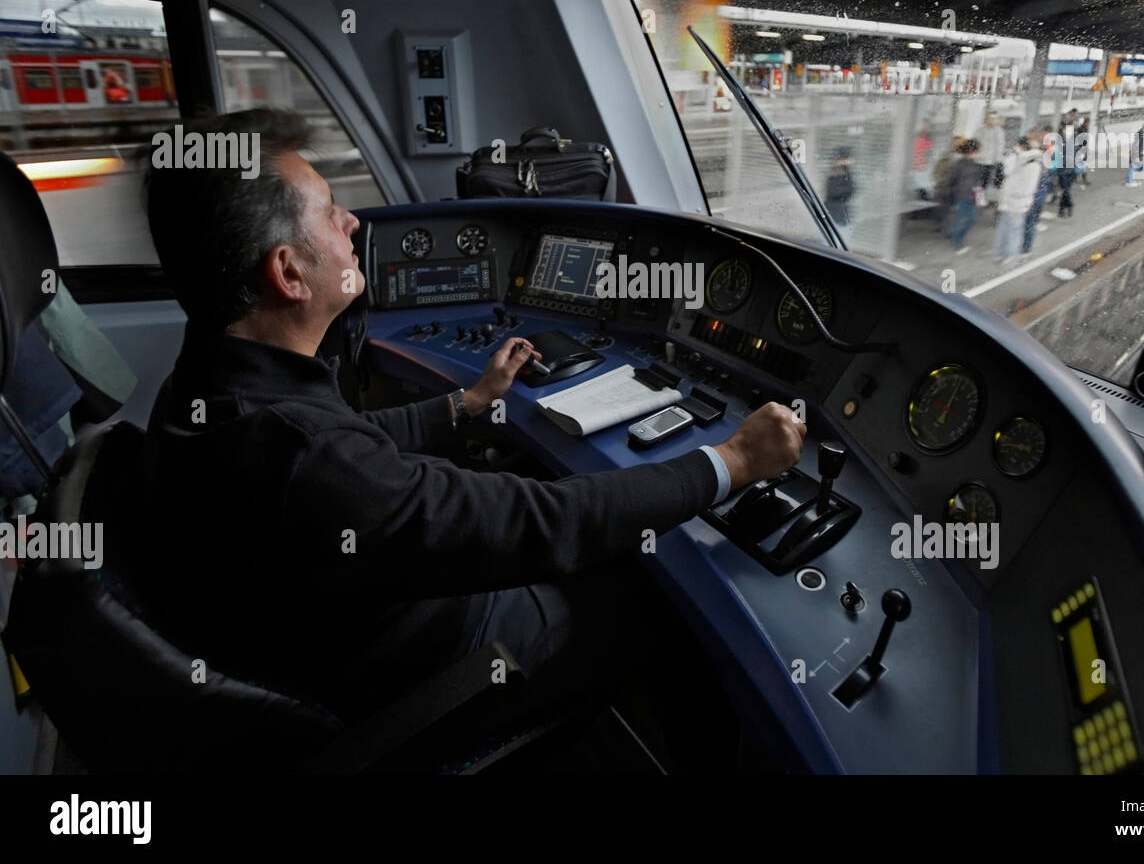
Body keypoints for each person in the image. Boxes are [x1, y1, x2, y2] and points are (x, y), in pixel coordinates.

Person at [134, 109, 805, 732]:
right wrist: (734, 460)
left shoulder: (206, 384)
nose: (353, 224)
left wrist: (468, 403)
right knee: (659, 599)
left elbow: (351, 443)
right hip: (434, 660)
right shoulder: (305, 455)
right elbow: (546, 522)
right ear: (288, 272)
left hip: (310, 627)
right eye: (331, 212)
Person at [994, 135, 1042, 263]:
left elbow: (1005, 173)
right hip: (1020, 201)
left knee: (1004, 227)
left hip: (1008, 198)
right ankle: (1011, 255)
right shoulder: (1034, 163)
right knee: (1015, 229)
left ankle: (1000, 252)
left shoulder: (1015, 157)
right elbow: (1030, 186)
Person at [939, 138, 981, 252]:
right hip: (962, 197)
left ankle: (957, 238)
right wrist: (950, 192)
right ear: (972, 151)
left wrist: (978, 197)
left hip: (970, 197)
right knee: (962, 219)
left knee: (971, 219)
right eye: (977, 151)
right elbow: (951, 179)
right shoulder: (959, 164)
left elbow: (977, 183)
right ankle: (956, 241)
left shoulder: (974, 164)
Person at [825, 147, 856, 227]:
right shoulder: (837, 172)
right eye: (849, 158)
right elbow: (834, 191)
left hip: (839, 215)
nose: (852, 161)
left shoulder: (844, 171)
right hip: (834, 216)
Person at [974, 111, 1004, 191]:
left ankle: (980, 199)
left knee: (985, 182)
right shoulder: (980, 130)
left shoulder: (998, 131)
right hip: (979, 161)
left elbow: (1000, 146)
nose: (991, 120)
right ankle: (975, 198)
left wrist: (998, 160)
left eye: (993, 119)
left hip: (990, 162)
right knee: (976, 182)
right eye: (989, 118)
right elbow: (975, 143)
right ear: (986, 119)